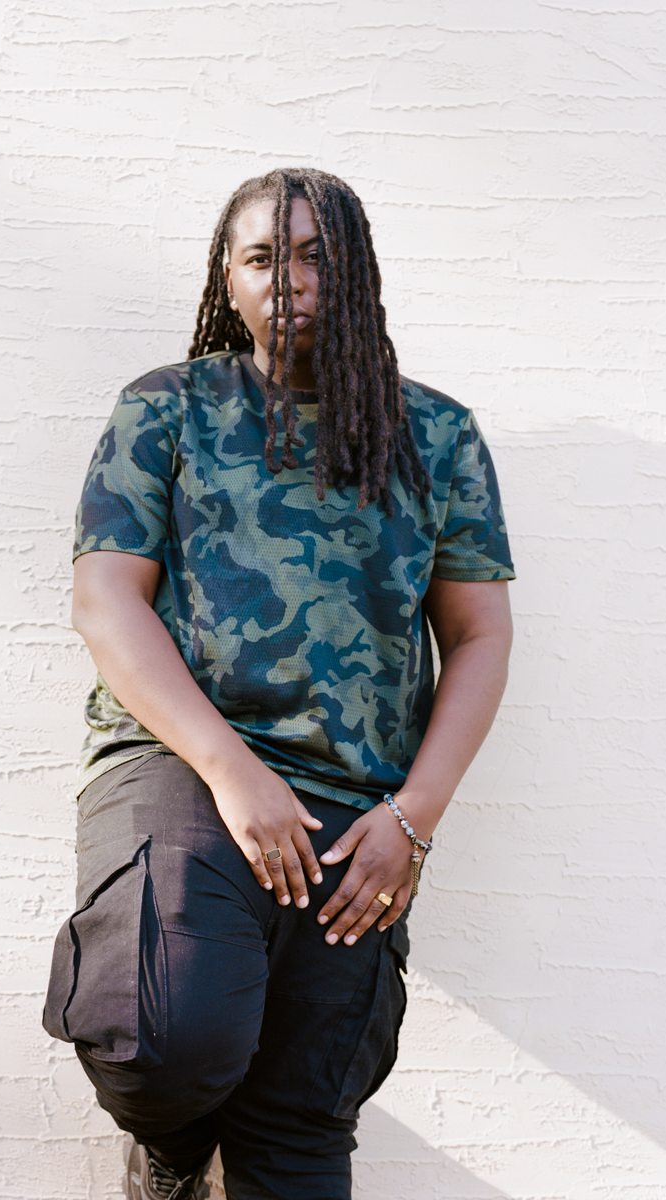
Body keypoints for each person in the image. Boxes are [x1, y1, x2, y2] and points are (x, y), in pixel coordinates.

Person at [43, 167, 514, 1200]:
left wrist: (415, 819)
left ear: (357, 276)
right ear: (228, 276)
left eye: (315, 256)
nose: (289, 278)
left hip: (359, 810)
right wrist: (229, 769)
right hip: (177, 765)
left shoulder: (437, 437)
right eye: (263, 257)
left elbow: (478, 637)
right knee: (160, 1034)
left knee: (303, 1117)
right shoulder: (168, 410)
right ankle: (172, 1150)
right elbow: (106, 599)